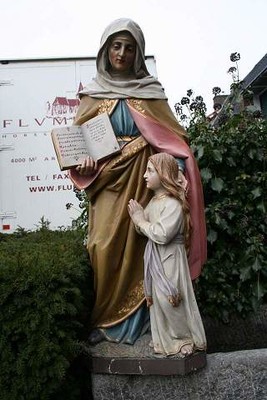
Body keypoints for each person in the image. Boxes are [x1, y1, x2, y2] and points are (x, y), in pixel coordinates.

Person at [69, 18, 207, 345]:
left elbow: (173, 139)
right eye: (116, 46)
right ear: (105, 50)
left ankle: (147, 324)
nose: (122, 53)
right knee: (101, 247)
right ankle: (105, 323)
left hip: (146, 180)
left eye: (129, 48)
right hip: (107, 182)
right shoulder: (91, 95)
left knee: (149, 247)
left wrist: (174, 165)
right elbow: (76, 145)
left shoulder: (150, 92)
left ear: (138, 54)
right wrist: (84, 163)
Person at [128, 153, 206, 356]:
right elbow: (144, 228)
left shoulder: (173, 204)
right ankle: (165, 341)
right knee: (156, 300)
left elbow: (162, 234)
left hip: (170, 257)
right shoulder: (154, 202)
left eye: (150, 171)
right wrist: (138, 219)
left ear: (163, 174)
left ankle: (184, 338)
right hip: (155, 258)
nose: (145, 175)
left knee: (170, 298)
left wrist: (140, 221)